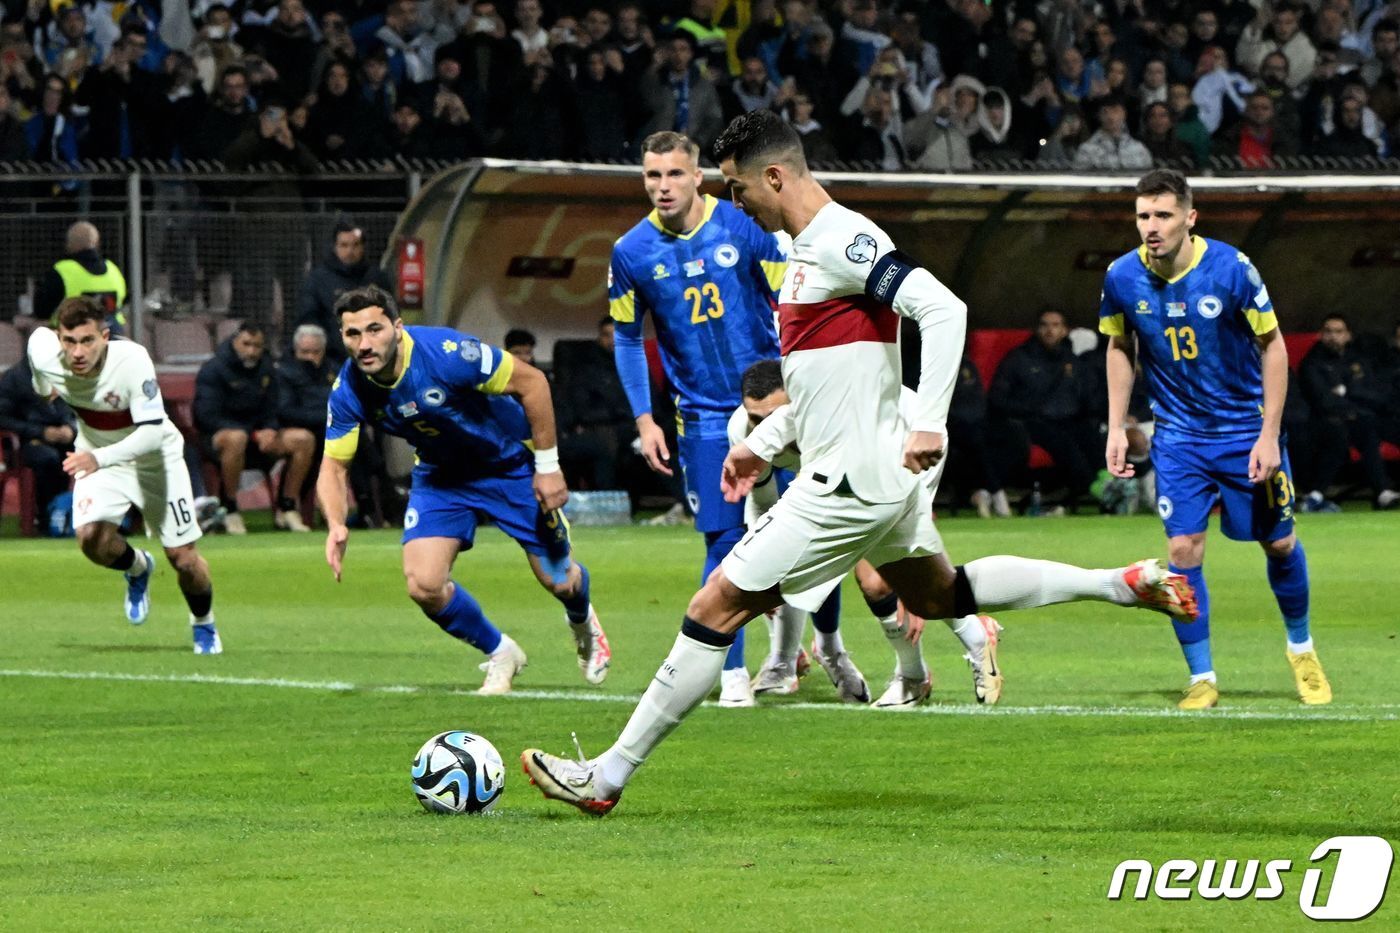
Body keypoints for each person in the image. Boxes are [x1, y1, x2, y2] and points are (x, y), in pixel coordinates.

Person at [522, 110, 1196, 815]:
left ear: (774, 176)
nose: (734, 200)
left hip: (845, 483)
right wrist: (764, 441)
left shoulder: (843, 238)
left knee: (713, 605)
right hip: (874, 478)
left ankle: (606, 776)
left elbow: (942, 307)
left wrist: (930, 418)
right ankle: (1119, 584)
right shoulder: (804, 250)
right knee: (941, 595)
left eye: (737, 186)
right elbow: (826, 382)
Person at [1101, 169, 1331, 711]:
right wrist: (1116, 425)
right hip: (1179, 438)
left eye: (1163, 216)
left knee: (1278, 543)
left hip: (1243, 432)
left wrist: (1268, 434)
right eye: (1143, 216)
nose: (1151, 227)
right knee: (1182, 550)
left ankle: (1302, 648)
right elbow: (1118, 347)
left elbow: (1274, 348)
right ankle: (1201, 676)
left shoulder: (1231, 269)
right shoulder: (1121, 276)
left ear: (1189, 217)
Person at [317, 285, 611, 696]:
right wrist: (335, 523)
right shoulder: (350, 389)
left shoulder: (449, 354)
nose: (365, 345)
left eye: (374, 330)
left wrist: (547, 468)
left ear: (397, 328)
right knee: (423, 584)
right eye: (353, 335)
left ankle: (582, 623)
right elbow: (333, 465)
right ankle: (501, 652)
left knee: (561, 581)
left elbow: (533, 383)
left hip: (509, 466)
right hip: (443, 477)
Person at [607, 130, 788, 705]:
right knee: (722, 538)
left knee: (807, 528)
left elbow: (791, 303)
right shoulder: (630, 252)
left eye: (674, 174)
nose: (663, 187)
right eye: (652, 176)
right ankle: (732, 675)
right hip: (704, 414)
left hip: (775, 407)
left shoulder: (743, 225)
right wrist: (644, 418)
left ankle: (809, 653)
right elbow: (629, 340)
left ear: (698, 177)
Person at [731, 360, 1003, 709]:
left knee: (887, 582)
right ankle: (947, 652)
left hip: (908, 447)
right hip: (834, 476)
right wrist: (763, 569)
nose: (763, 429)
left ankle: (919, 672)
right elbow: (763, 503)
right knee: (874, 580)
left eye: (774, 417)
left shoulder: (839, 417)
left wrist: (909, 574)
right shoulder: (744, 430)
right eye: (755, 418)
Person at [26, 297, 220, 653]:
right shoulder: (44, 349)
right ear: (59, 338)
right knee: (90, 540)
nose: (78, 351)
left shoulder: (131, 360)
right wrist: (44, 388)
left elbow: (149, 432)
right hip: (99, 456)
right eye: (70, 342)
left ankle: (204, 624)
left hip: (154, 458)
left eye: (87, 341)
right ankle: (137, 568)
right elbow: (37, 364)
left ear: (104, 336)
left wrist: (97, 459)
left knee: (184, 559)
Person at [195, 323, 317, 534]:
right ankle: (230, 508)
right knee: (237, 438)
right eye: (246, 344)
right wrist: (252, 433)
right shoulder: (213, 369)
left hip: (259, 437)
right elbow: (206, 416)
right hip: (221, 437)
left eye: (257, 346)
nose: (251, 351)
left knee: (304, 439)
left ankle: (287, 508)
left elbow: (274, 406)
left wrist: (270, 429)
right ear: (235, 342)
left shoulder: (267, 368)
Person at [989, 309, 1101, 511]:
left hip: (1071, 420)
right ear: (1037, 329)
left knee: (1093, 438)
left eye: (1056, 325)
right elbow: (998, 398)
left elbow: (1088, 396)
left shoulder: (1073, 362)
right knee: (1065, 444)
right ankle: (1067, 497)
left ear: (1065, 330)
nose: (1050, 330)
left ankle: (1105, 488)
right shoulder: (1018, 359)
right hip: (1033, 422)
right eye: (1045, 325)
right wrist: (1028, 409)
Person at [1298, 314, 1398, 510]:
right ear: (1320, 335)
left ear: (1348, 335)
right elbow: (1323, 401)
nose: (1333, 336)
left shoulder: (1359, 361)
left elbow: (1378, 396)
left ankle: (1383, 492)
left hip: (1363, 418)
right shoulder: (1312, 363)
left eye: (1338, 331)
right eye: (1328, 331)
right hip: (1327, 422)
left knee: (1372, 428)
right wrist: (1354, 397)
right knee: (1348, 432)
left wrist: (1347, 390)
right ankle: (1316, 494)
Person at [297, 220, 395, 364]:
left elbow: (390, 313)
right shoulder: (319, 279)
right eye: (344, 245)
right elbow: (309, 317)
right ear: (334, 247)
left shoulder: (376, 278)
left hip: (372, 355)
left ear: (363, 247)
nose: (350, 251)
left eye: (355, 245)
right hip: (332, 360)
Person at [0, 357, 77, 533]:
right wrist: (40, 432)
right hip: (24, 444)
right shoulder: (14, 379)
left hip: (62, 439)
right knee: (47, 458)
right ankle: (46, 518)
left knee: (92, 453)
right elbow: (3, 418)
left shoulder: (63, 373)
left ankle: (103, 519)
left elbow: (75, 407)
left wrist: (70, 428)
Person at [34, 221, 128, 333]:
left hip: (73, 339)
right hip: (112, 335)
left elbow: (41, 310)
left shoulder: (62, 271)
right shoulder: (114, 270)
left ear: (69, 244)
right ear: (97, 243)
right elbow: (122, 301)